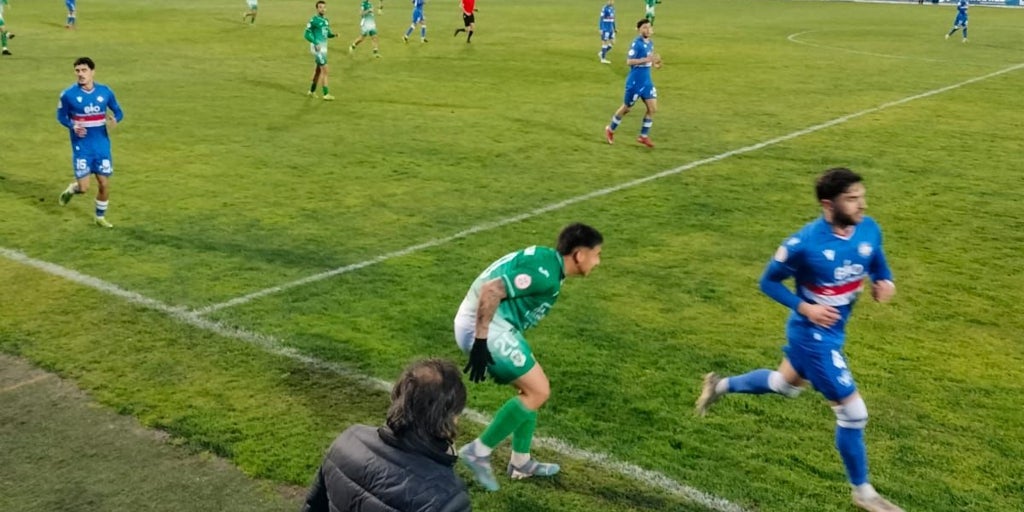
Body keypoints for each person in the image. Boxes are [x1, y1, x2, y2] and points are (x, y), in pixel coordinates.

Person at [695, 168, 903, 512]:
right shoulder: (803, 244)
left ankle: (719, 386)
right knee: (853, 413)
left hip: (835, 330)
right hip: (811, 335)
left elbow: (877, 262)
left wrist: (886, 282)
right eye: (852, 199)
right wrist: (805, 307)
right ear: (828, 204)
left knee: (784, 385)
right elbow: (768, 282)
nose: (861, 204)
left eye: (862, 196)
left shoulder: (869, 228)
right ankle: (863, 492)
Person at [456, 223, 604, 492]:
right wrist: (480, 341)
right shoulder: (546, 273)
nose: (598, 261)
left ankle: (520, 463)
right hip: (483, 325)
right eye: (597, 254)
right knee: (538, 391)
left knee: (533, 387)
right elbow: (492, 289)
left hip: (495, 325)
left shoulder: (549, 263)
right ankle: (478, 451)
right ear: (580, 254)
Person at [300, 359, 472, 512]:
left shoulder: (349, 439)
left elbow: (312, 507)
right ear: (448, 418)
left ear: (399, 395)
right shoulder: (449, 498)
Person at [57, 57, 125, 228]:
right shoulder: (68, 95)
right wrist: (72, 125)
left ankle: (99, 217)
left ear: (92, 72)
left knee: (104, 183)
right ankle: (73, 189)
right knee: (84, 188)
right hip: (82, 147)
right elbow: (61, 116)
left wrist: (114, 119)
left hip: (101, 145)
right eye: (77, 71)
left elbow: (118, 111)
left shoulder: (105, 92)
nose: (80, 74)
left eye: (84, 70)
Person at [604, 19, 660, 148]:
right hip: (635, 82)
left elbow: (649, 59)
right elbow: (629, 61)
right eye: (644, 28)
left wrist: (654, 64)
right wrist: (646, 59)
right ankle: (610, 129)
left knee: (652, 109)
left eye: (649, 27)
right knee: (627, 108)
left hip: (647, 82)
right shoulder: (636, 44)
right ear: (639, 30)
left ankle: (643, 136)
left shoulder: (650, 43)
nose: (647, 30)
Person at [304, 1, 337, 101]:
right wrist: (315, 42)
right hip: (317, 48)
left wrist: (334, 35)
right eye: (320, 7)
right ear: (317, 9)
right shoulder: (314, 20)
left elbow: (327, 34)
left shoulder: (326, 20)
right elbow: (306, 34)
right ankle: (326, 94)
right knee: (325, 70)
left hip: (323, 48)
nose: (322, 9)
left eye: (324, 7)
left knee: (318, 71)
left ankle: (311, 91)